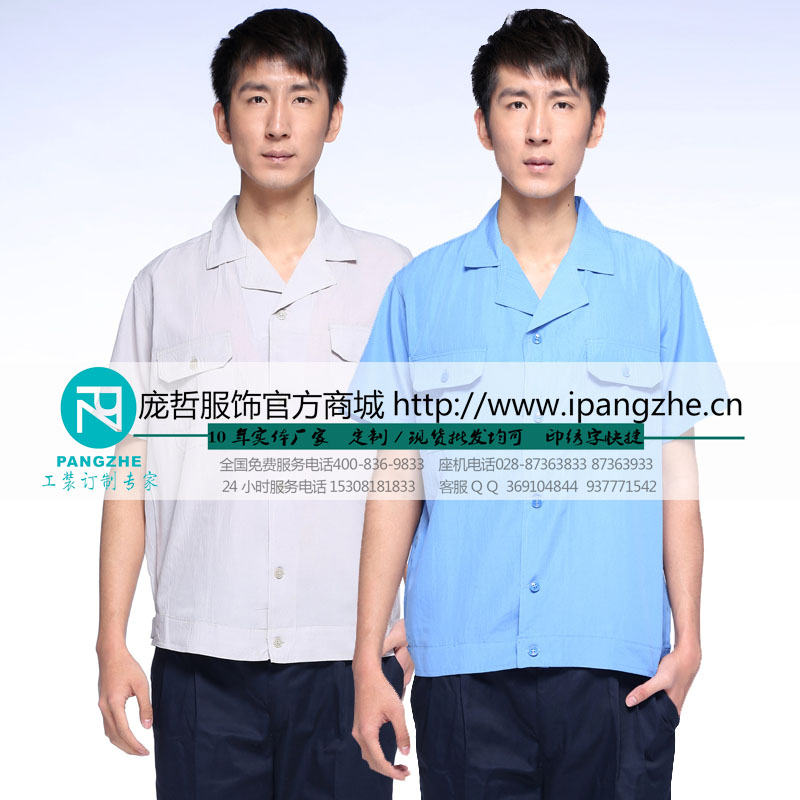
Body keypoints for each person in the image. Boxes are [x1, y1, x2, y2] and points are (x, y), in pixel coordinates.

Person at [352, 9, 726, 799]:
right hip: (464, 666)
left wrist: (689, 640)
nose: (538, 128)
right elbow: (395, 477)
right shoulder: (422, 291)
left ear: (596, 124)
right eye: (516, 102)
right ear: (482, 125)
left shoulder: (656, 286)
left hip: (615, 668)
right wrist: (366, 657)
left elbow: (677, 476)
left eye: (562, 102)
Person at [96, 9, 413, 799]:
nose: (278, 123)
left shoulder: (392, 278)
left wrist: (425, 619)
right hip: (202, 665)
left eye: (301, 98)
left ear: (334, 118)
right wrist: (110, 639)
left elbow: (421, 463)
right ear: (222, 119)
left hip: (349, 656)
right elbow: (127, 472)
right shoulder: (164, 286)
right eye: (256, 98)